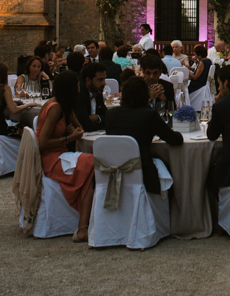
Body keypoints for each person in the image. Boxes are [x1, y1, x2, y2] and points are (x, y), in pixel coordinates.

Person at [36, 70, 95, 242]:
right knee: (91, 162)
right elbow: (42, 143)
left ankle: (84, 225)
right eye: (76, 85)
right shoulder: (55, 108)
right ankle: (83, 225)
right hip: (51, 160)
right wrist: (69, 138)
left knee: (90, 165)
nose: (79, 88)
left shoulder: (64, 106)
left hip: (61, 155)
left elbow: (80, 128)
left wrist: (75, 131)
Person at [104, 76, 184, 193]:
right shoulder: (148, 115)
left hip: (112, 171)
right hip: (142, 171)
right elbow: (174, 140)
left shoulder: (110, 114)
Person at [76, 62, 107, 132]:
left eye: (104, 79)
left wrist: (97, 117)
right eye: (100, 80)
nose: (104, 83)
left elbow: (107, 116)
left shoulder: (98, 93)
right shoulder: (79, 96)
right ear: (88, 80)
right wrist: (101, 125)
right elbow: (85, 124)